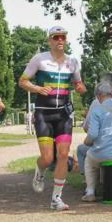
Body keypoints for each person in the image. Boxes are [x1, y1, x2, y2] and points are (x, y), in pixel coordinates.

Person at [20, 25, 86, 210]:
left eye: (63, 37)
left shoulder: (72, 61)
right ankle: (39, 171)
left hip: (64, 114)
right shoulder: (39, 59)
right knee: (48, 158)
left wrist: (80, 88)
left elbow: (78, 82)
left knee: (64, 155)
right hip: (43, 112)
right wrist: (38, 89)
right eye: (56, 37)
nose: (60, 40)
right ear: (49, 40)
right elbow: (23, 81)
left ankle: (56, 198)